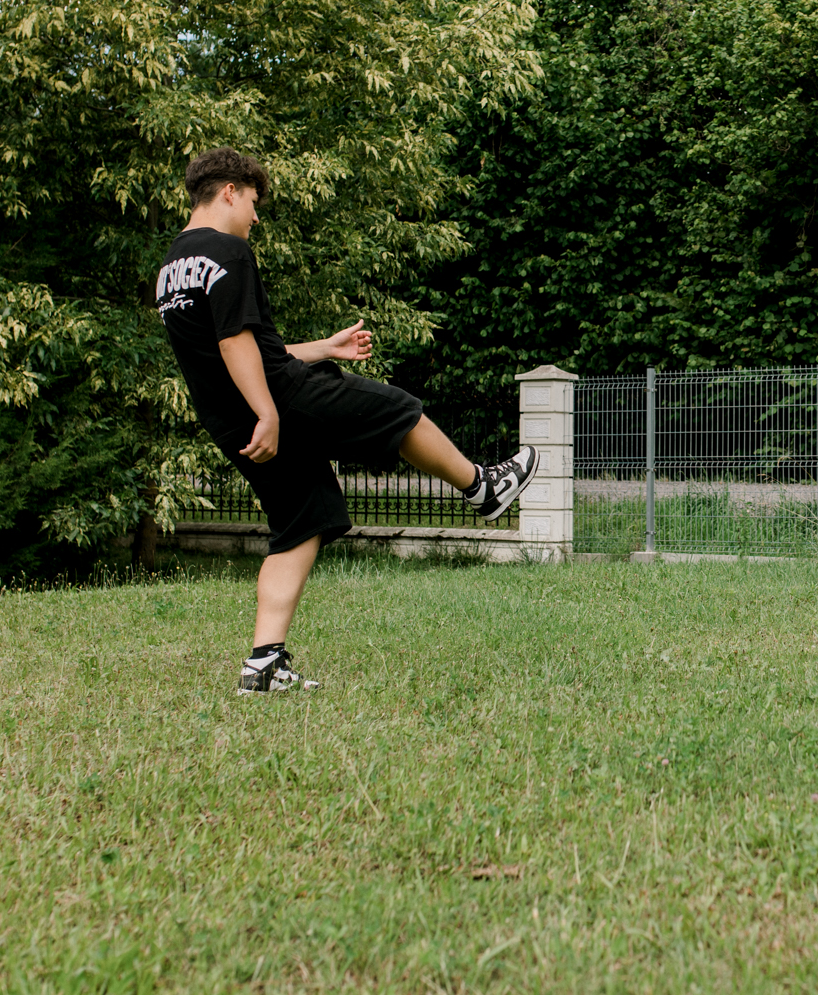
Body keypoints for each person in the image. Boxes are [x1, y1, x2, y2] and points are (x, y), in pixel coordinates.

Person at [154, 147, 538, 692]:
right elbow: (234, 339)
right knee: (397, 410)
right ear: (230, 191)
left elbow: (245, 351)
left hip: (231, 421)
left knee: (300, 523)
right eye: (255, 203)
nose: (256, 218)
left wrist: (324, 348)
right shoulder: (228, 251)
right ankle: (483, 487)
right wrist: (268, 411)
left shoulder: (171, 270)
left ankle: (263, 665)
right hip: (274, 404)